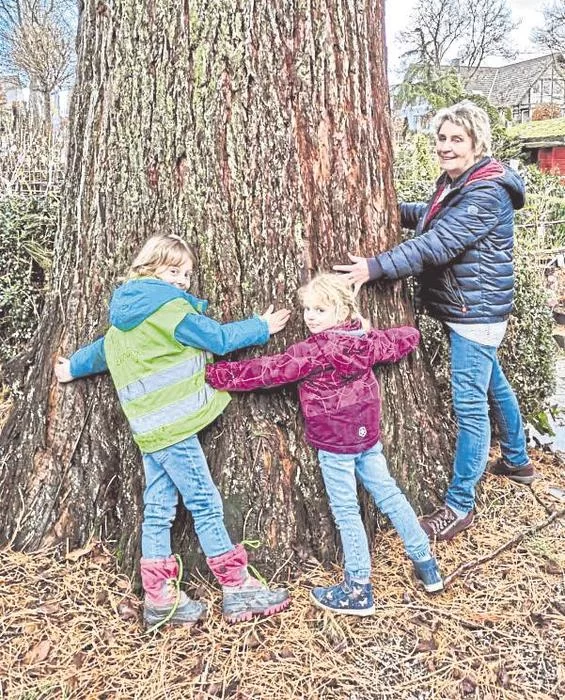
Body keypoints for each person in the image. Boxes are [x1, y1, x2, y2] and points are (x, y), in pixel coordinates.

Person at [54, 234, 292, 628]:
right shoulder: (171, 311)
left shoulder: (123, 321)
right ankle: (237, 587)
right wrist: (261, 326)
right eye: (173, 271)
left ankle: (160, 598)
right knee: (204, 502)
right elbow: (217, 339)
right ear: (149, 268)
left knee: (159, 509)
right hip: (175, 429)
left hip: (149, 431)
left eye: (186, 274)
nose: (182, 280)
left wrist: (72, 368)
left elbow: (100, 352)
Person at [334, 99, 534, 543]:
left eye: (456, 139)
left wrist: (376, 267)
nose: (446, 146)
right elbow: (431, 219)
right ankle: (518, 461)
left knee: (470, 408)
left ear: (477, 143)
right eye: (441, 138)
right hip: (470, 308)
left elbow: (439, 242)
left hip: (475, 314)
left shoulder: (486, 192)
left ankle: (460, 506)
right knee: (494, 383)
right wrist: (387, 206)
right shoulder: (458, 182)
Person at [206, 273, 443, 618]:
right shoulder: (365, 341)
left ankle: (358, 587)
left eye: (320, 309)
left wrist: (217, 375)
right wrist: (373, 330)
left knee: (347, 510)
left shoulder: (313, 351)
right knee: (390, 495)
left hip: (334, 443)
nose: (311, 317)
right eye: (307, 309)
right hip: (366, 436)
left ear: (342, 309)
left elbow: (269, 371)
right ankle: (426, 565)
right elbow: (405, 337)